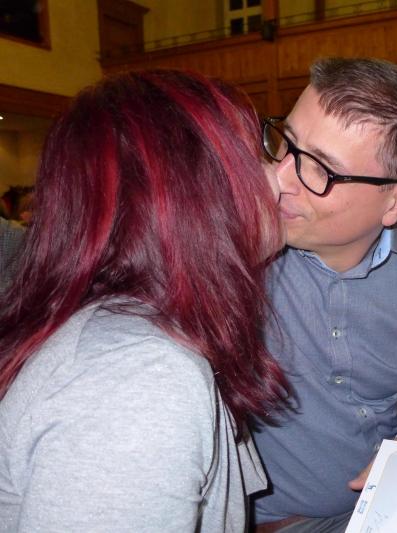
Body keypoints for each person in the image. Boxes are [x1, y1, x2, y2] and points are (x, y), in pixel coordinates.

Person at [0, 70, 287, 531]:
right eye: (257, 156)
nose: (281, 177)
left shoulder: (142, 324)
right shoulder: (138, 377)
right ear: (195, 194)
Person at [253, 57, 397, 531]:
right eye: (284, 143)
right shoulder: (234, 250)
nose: (277, 179)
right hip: (278, 522)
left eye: (320, 169)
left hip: (392, 509)